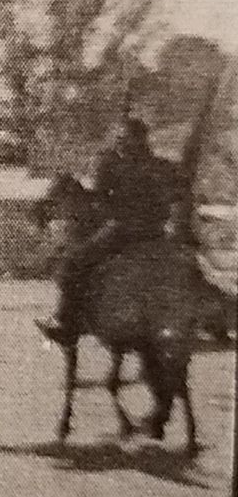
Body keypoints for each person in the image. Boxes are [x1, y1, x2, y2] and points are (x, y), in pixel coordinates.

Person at [41, 114, 180, 341]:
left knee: (73, 262)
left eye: (123, 138)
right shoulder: (162, 166)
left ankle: (66, 323)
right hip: (156, 232)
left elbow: (101, 199)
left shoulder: (113, 165)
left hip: (122, 230)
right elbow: (177, 196)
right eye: (119, 139)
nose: (119, 143)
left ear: (133, 140)